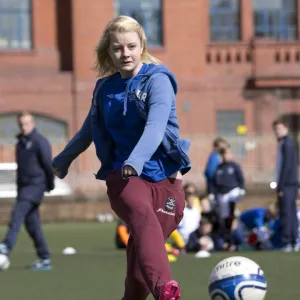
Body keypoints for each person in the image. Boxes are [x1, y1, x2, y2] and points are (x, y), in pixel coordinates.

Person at [52, 16, 191, 300]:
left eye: (131, 46)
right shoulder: (105, 88)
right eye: (117, 48)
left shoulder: (158, 80)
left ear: (141, 46)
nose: (125, 53)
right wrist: (64, 159)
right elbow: (89, 129)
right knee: (141, 215)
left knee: (138, 273)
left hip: (165, 179)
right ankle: (166, 289)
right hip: (125, 176)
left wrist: (137, 160)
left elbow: (155, 126)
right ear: (109, 52)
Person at [0, 112, 54, 270]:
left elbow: (48, 165)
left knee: (17, 215)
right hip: (24, 188)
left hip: (36, 186)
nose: (24, 127)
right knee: (32, 224)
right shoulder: (20, 143)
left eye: (27, 123)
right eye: (22, 124)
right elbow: (21, 170)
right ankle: (44, 258)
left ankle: (6, 246)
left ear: (33, 123)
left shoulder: (40, 141)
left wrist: (50, 185)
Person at [273, 118, 299, 252]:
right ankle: (294, 240)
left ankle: (289, 240)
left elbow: (286, 167)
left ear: (286, 129)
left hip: (287, 184)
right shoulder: (283, 143)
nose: (277, 131)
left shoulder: (287, 144)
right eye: (276, 129)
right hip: (288, 184)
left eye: (279, 128)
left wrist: (281, 186)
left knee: (287, 213)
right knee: (290, 212)